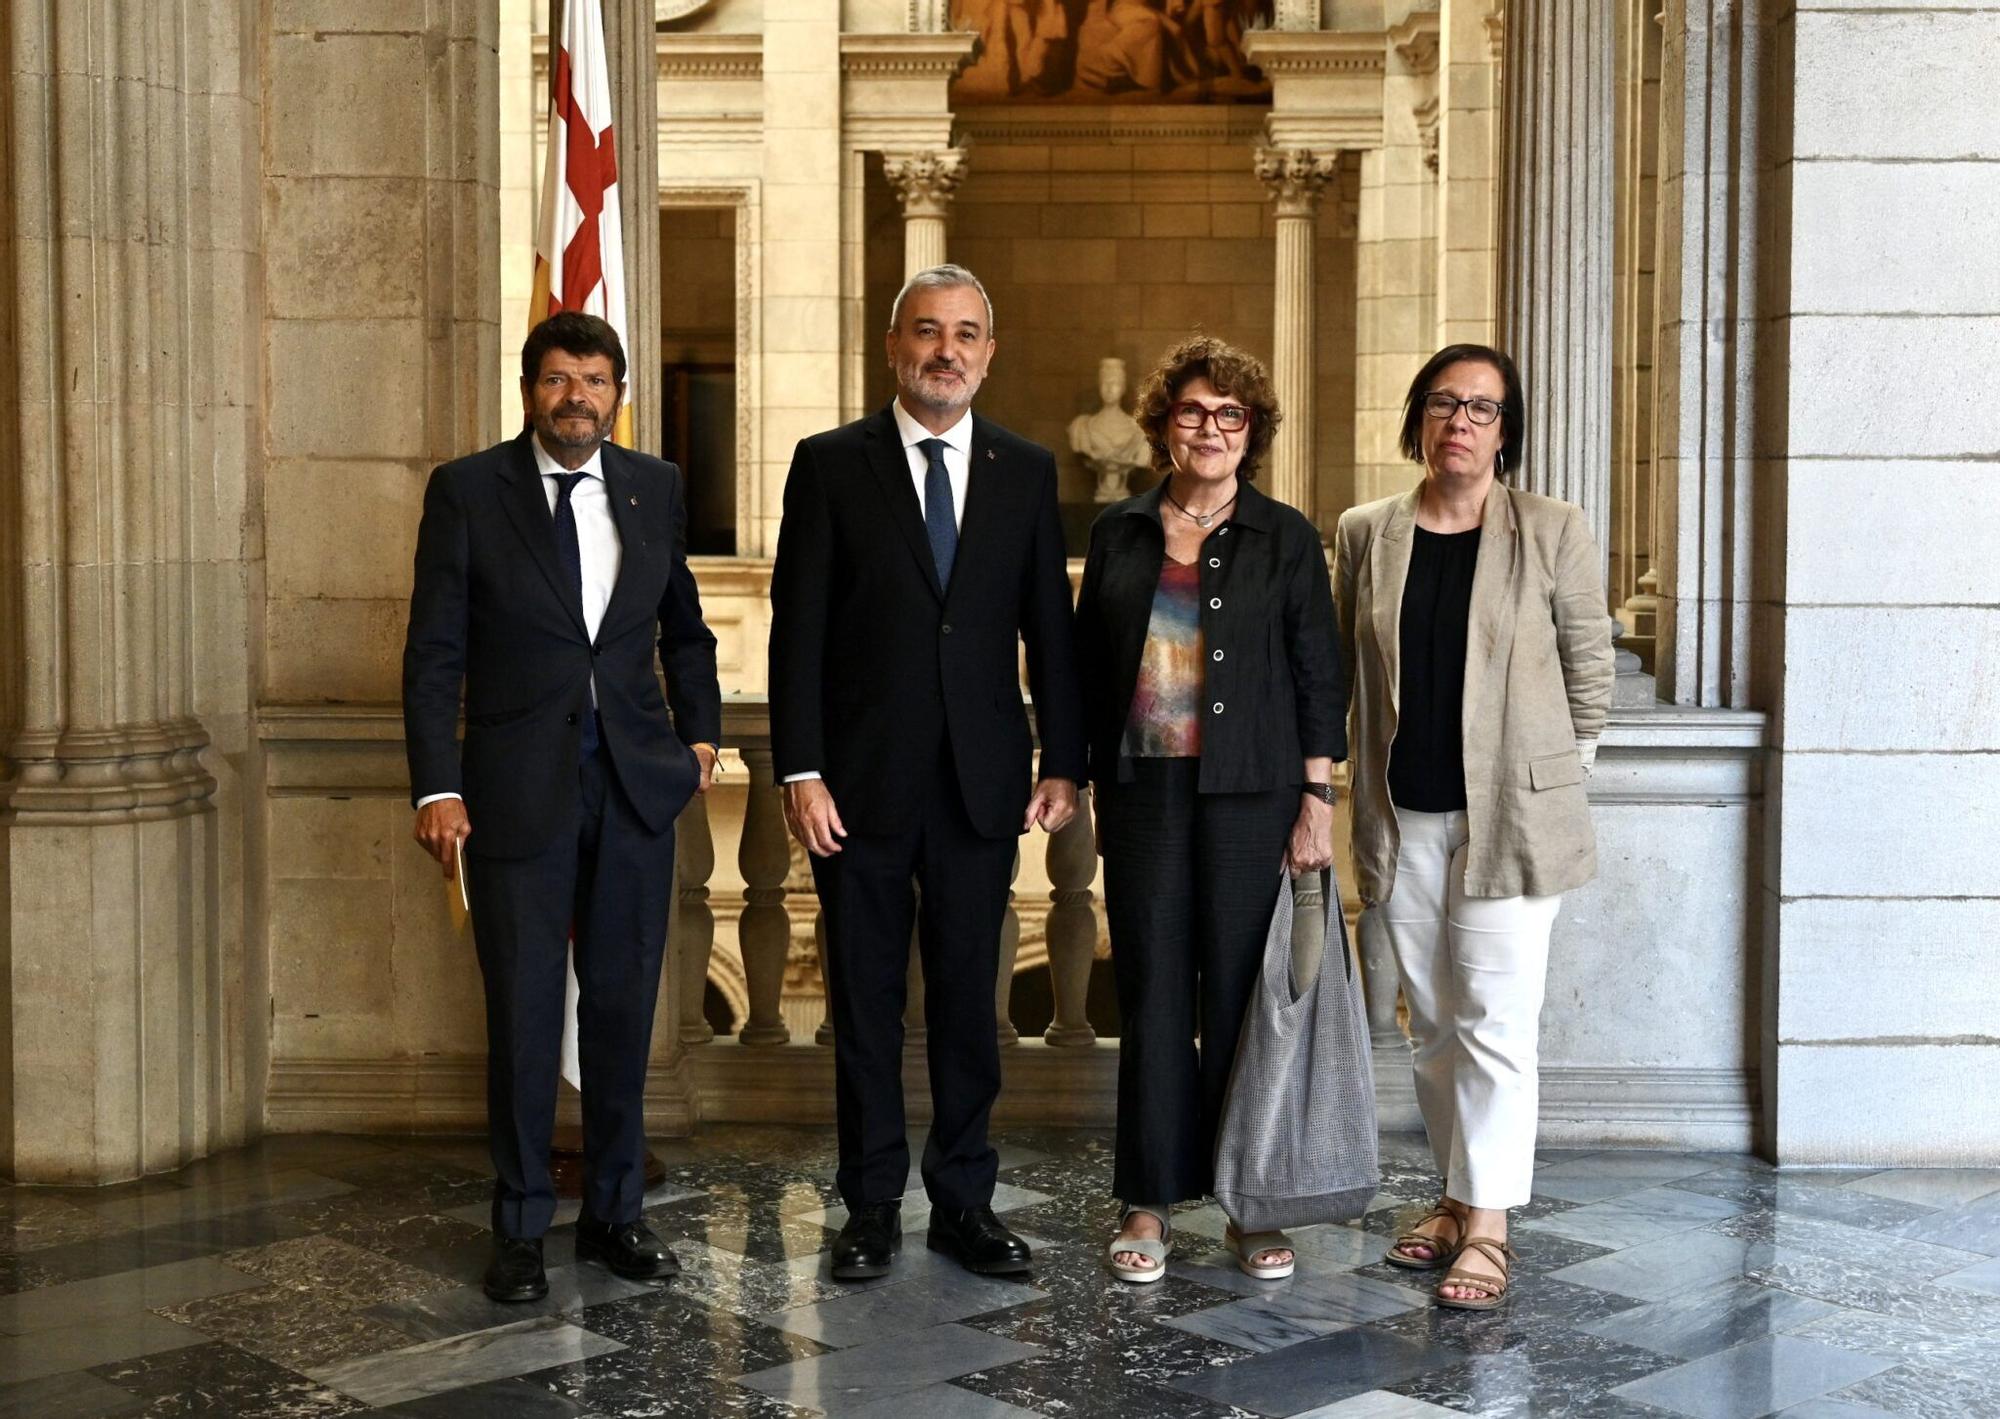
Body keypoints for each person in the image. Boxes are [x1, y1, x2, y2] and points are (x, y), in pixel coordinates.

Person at [768, 264, 1086, 1281]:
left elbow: (1050, 627)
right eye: (924, 332)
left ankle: (962, 1202)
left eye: (962, 334)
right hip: (853, 790)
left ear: (988, 354)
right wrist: (801, 771)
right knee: (861, 1005)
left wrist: (1064, 760)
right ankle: (867, 1209)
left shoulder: (1024, 469)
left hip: (980, 784)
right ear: (892, 348)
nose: (943, 350)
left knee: (965, 1004)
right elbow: (798, 633)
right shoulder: (828, 465)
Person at [403, 312, 721, 1304]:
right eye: (556, 379)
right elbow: (433, 653)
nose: (574, 395)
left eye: (592, 380)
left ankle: (617, 1216)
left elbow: (686, 632)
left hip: (632, 790)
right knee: (526, 1015)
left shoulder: (652, 487)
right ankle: (520, 1227)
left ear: (615, 394)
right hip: (511, 796)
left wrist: (699, 736)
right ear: (529, 389)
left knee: (624, 1010)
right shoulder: (467, 493)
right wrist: (437, 784)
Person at [1333, 344, 1613, 1310]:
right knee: (1433, 1022)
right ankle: (1456, 1194)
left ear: (1506, 431)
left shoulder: (1552, 528)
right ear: (1418, 418)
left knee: (1496, 1020)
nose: (1461, 420)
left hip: (1511, 823)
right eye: (1445, 403)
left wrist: (1552, 777)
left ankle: (1488, 1226)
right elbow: (1346, 668)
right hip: (1399, 814)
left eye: (1483, 408)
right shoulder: (1367, 531)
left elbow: (1589, 668)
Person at [1075, 334, 1346, 1283]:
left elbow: (1320, 673)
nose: (1211, 428)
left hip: (1255, 795)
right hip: (1145, 794)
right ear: (1164, 424)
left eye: (1230, 414)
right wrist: (1072, 772)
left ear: (1252, 430)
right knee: (1151, 993)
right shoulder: (1120, 531)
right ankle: (1146, 1200)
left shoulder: (1286, 536)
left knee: (1240, 995)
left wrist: (1318, 796)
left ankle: (1250, 1204)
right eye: (1192, 411)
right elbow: (1081, 672)